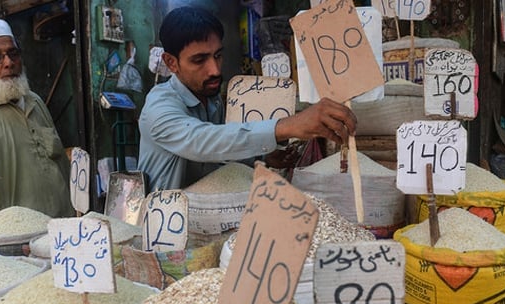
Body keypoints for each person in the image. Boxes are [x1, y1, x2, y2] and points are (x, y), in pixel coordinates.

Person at [138, 6, 358, 192]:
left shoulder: (211, 99)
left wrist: (260, 158)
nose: (214, 70)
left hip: (208, 212)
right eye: (199, 60)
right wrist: (286, 126)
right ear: (171, 62)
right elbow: (202, 141)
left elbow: (218, 154)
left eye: (218, 55)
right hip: (161, 230)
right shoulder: (158, 107)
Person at [0, 18, 73, 218]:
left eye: (13, 53)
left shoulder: (35, 102)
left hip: (63, 229)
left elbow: (60, 164)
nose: (8, 63)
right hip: (19, 240)